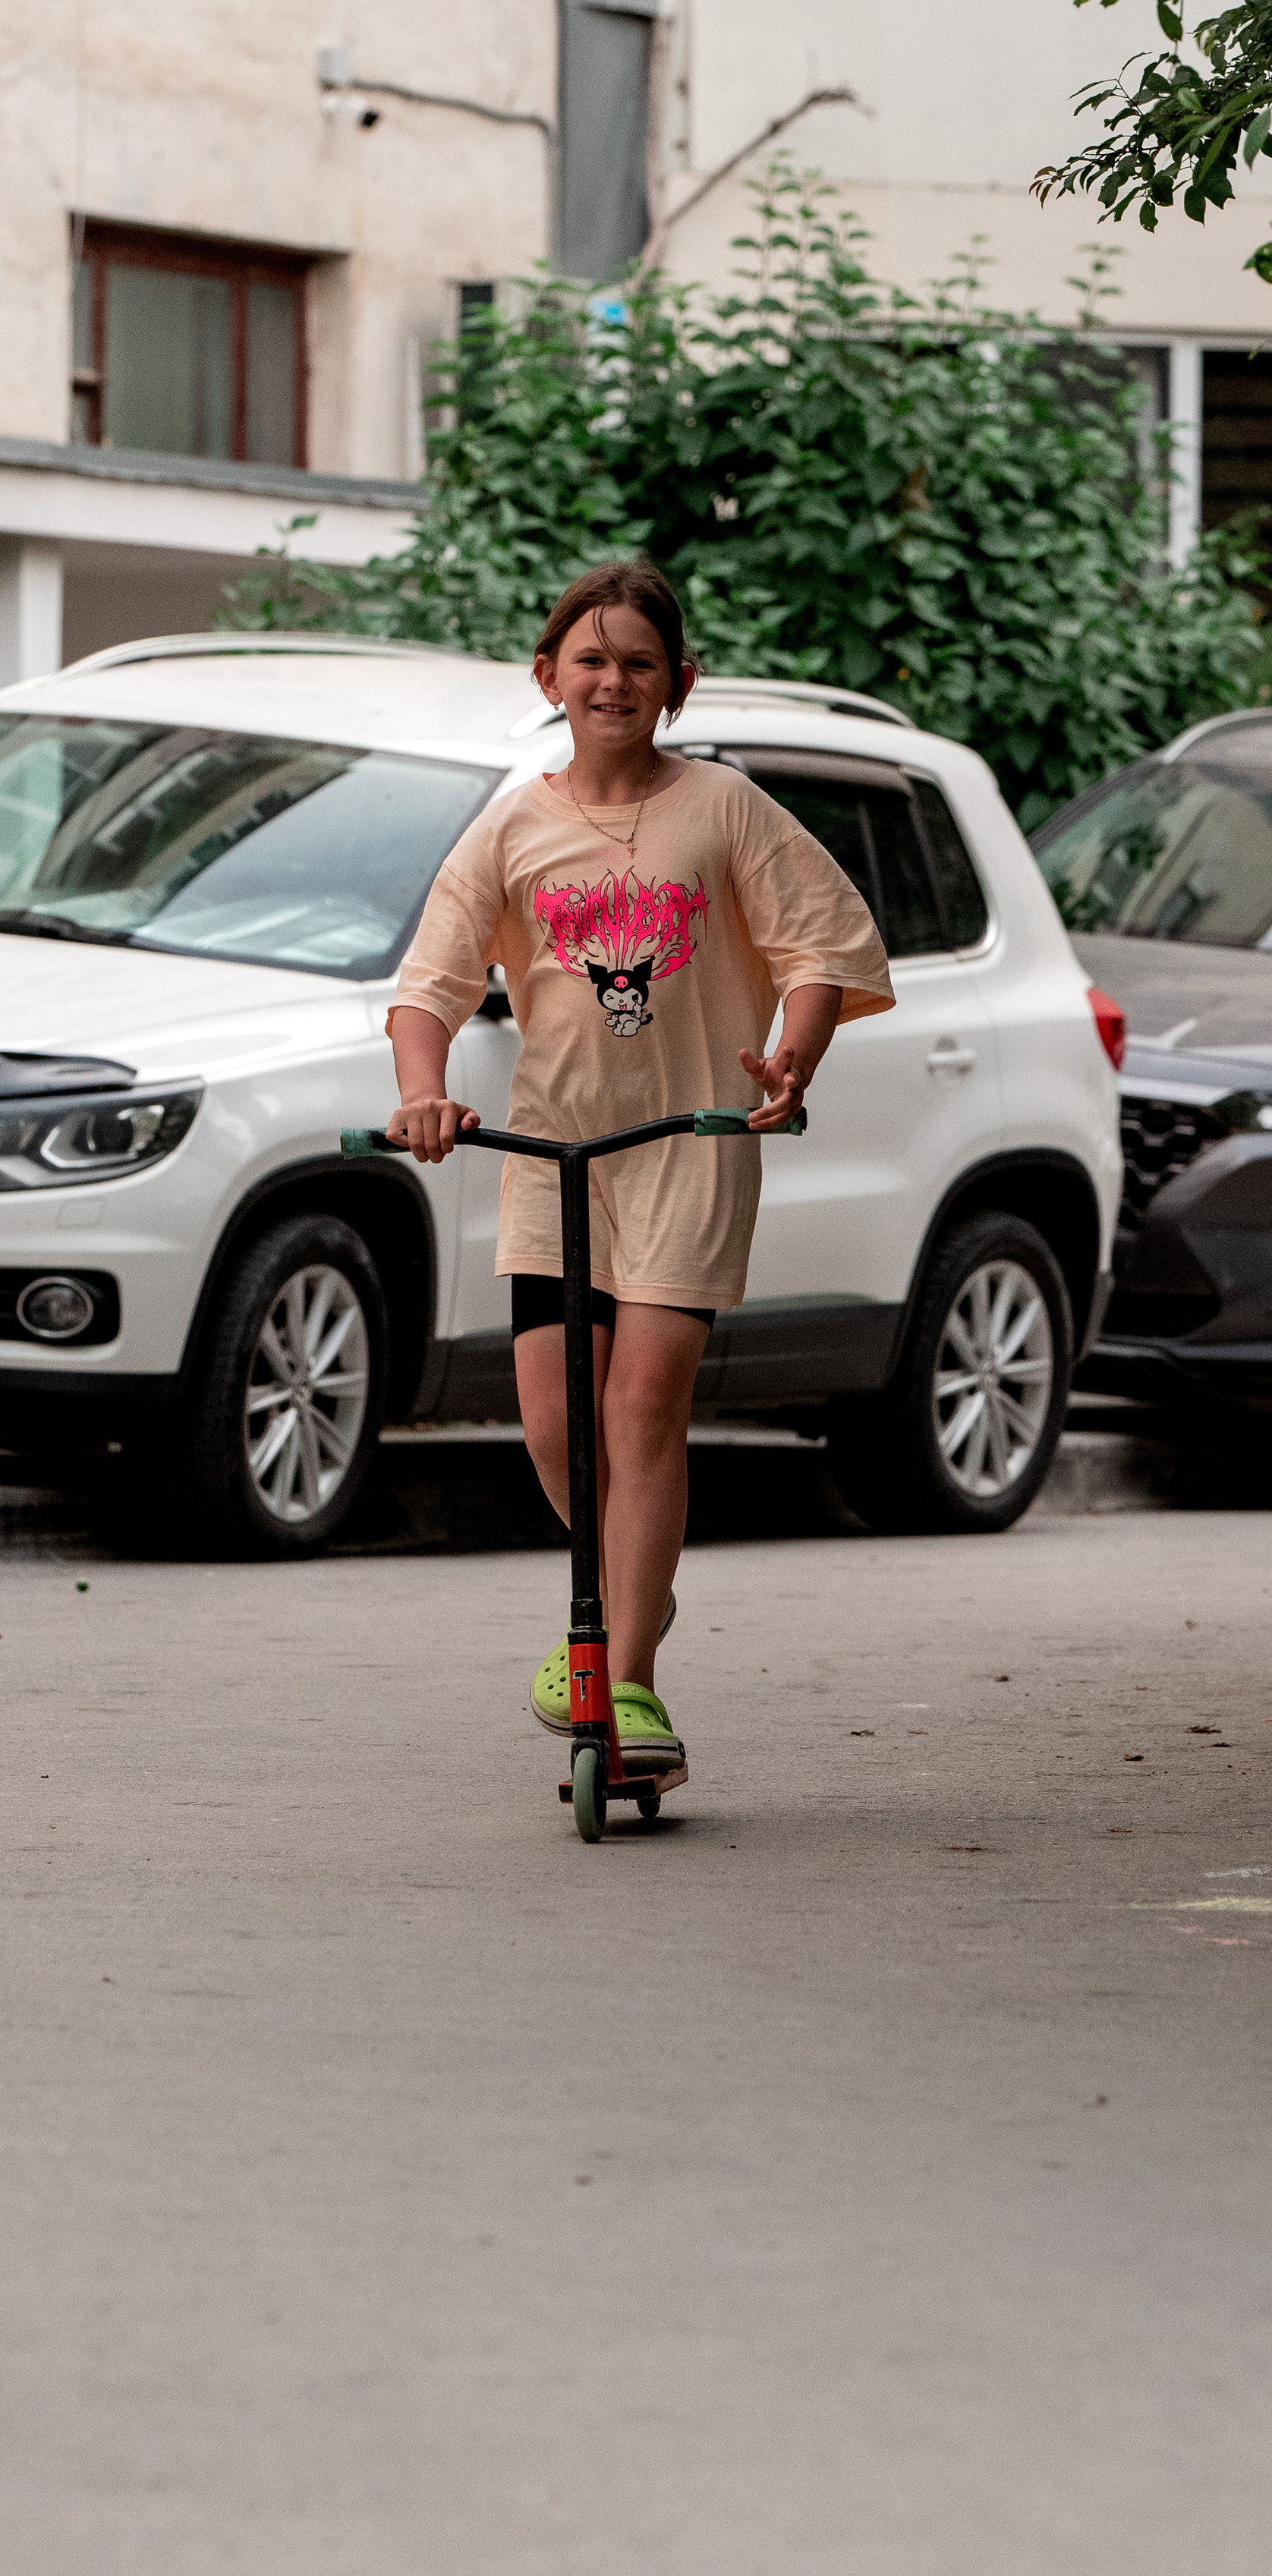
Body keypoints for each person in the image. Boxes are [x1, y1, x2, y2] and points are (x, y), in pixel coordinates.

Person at [386, 559, 893, 1773]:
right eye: (592, 658)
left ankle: (632, 1679)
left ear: (680, 682)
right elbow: (431, 987)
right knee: (560, 1426)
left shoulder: (721, 806)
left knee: (643, 1405)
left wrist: (792, 1056)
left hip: (687, 1146)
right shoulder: (512, 824)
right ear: (548, 674)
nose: (614, 680)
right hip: (550, 1153)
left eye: (640, 662)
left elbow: (821, 944)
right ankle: (634, 1592)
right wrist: (422, 1092)